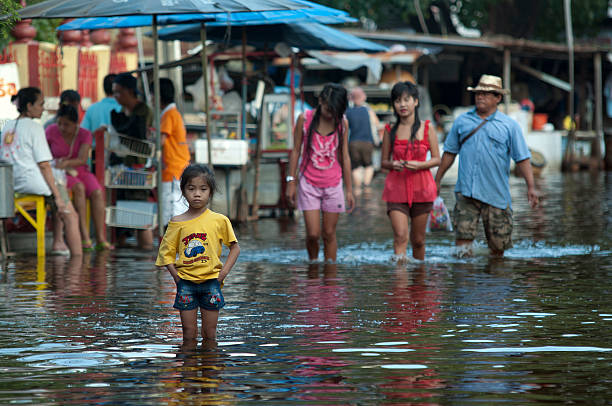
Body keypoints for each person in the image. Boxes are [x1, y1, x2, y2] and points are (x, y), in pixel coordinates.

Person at [434, 74, 539, 257]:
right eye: (478, 93)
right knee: (462, 249)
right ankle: (466, 282)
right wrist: (437, 179)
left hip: (496, 195)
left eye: (486, 94)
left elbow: (522, 158)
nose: (480, 97)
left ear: (498, 98)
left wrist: (531, 187)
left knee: (498, 251)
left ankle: (493, 284)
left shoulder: (509, 126)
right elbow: (449, 152)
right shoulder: (462, 121)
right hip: (467, 193)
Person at [155, 164, 240, 348]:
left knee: (210, 335)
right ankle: (189, 373)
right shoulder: (177, 222)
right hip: (186, 284)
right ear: (183, 191)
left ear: (210, 192)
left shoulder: (219, 220)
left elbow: (235, 248)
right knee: (188, 335)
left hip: (211, 282)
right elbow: (165, 253)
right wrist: (176, 277)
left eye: (203, 189)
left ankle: (210, 374)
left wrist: (223, 273)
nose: (197, 194)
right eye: (191, 189)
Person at [0, 87, 82, 257]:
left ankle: (59, 243)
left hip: (10, 184)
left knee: (58, 192)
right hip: (32, 183)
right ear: (29, 106)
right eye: (40, 104)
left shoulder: (8, 125)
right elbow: (44, 165)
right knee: (71, 215)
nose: (43, 108)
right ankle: (79, 263)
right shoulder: (35, 128)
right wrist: (59, 199)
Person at [286, 83, 355, 262]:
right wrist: (291, 181)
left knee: (329, 233)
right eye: (328, 108)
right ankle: (314, 266)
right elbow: (295, 151)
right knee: (313, 234)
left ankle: (331, 274)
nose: (330, 114)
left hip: (334, 185)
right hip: (308, 184)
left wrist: (349, 190)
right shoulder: (305, 119)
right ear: (320, 101)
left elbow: (345, 156)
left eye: (335, 111)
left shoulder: (342, 123)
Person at [381, 81, 440, 261]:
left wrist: (419, 165)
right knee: (400, 236)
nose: (402, 105)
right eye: (398, 101)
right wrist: (393, 165)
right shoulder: (390, 129)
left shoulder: (428, 127)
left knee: (419, 241)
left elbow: (437, 158)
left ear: (416, 102)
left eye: (407, 100)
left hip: (422, 190)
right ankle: (400, 284)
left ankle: (419, 282)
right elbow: (383, 162)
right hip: (396, 189)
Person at [45, 104, 113, 251]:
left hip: (79, 170)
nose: (62, 127)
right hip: (60, 173)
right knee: (79, 188)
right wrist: (59, 164)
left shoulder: (85, 134)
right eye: (60, 123)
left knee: (97, 192)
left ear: (76, 124)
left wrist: (67, 163)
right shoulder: (50, 131)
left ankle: (101, 238)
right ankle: (84, 236)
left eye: (66, 124)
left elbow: (82, 159)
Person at [111, 72, 154, 249]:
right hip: (122, 170)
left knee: (139, 216)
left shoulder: (144, 111)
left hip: (139, 169)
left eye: (119, 92)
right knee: (122, 220)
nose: (116, 97)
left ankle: (146, 254)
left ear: (130, 91)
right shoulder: (120, 113)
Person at [149, 78, 191, 227]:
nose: (151, 98)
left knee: (172, 213)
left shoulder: (169, 114)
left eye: (152, 94)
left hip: (173, 170)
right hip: (176, 169)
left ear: (159, 96)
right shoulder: (171, 113)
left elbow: (160, 141)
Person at [346, 87, 381, 194]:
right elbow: (377, 124)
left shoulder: (348, 112)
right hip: (367, 142)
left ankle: (357, 189)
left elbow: (345, 128)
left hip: (353, 143)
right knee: (368, 165)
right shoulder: (368, 110)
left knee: (355, 166)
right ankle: (366, 187)